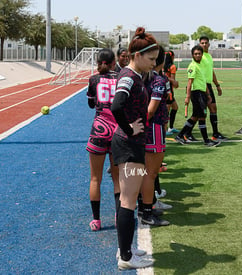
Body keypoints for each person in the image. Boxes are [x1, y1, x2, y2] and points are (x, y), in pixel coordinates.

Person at [111, 27, 158, 270]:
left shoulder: (136, 76)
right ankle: (126, 258)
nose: (153, 64)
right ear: (136, 55)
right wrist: (130, 129)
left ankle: (125, 248)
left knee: (128, 198)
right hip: (129, 144)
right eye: (150, 59)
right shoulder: (129, 77)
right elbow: (116, 106)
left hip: (132, 145)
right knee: (129, 200)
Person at [86, 49, 120, 231]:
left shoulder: (94, 79)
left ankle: (96, 220)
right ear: (114, 62)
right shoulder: (121, 78)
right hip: (118, 131)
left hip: (99, 129)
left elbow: (91, 103)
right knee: (118, 179)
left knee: (95, 178)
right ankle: (118, 216)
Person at [140, 45, 170, 227]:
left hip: (141, 129)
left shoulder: (139, 78)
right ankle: (147, 211)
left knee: (142, 173)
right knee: (150, 174)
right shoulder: (157, 80)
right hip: (153, 129)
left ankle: (145, 208)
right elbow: (151, 111)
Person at [174, 45, 221, 147]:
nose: (197, 55)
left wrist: (208, 94)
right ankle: (206, 141)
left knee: (195, 116)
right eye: (195, 54)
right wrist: (187, 97)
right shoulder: (192, 66)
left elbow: (203, 81)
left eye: (199, 53)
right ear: (192, 55)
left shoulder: (201, 66)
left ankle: (180, 136)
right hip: (196, 93)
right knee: (202, 116)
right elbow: (190, 83)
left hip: (203, 92)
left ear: (202, 54)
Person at [164, 51, 180, 135]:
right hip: (169, 90)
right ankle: (165, 130)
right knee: (167, 110)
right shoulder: (172, 66)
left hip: (165, 89)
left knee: (175, 107)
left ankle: (171, 127)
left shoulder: (162, 66)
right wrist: (176, 84)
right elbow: (172, 80)